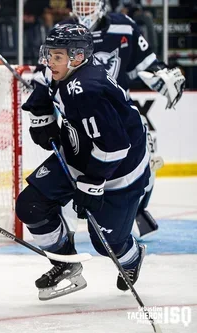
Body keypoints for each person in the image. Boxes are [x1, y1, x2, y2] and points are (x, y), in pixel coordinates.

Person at [15, 24, 149, 300]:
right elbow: (43, 83)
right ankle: (65, 263)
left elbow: (115, 146)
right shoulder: (65, 68)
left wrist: (91, 183)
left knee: (106, 244)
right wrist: (41, 116)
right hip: (78, 154)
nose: (50, 62)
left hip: (119, 170)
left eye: (57, 57)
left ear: (77, 57)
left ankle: (132, 257)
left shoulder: (88, 89)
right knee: (30, 206)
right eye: (49, 54)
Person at [60, 0, 186, 239]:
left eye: (89, 3)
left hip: (120, 114)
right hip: (79, 116)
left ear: (101, 4)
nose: (84, 8)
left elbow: (148, 62)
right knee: (76, 167)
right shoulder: (63, 31)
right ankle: (68, 229)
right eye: (80, 3)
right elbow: (48, 69)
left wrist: (162, 74)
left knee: (144, 157)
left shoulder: (124, 26)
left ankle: (137, 208)